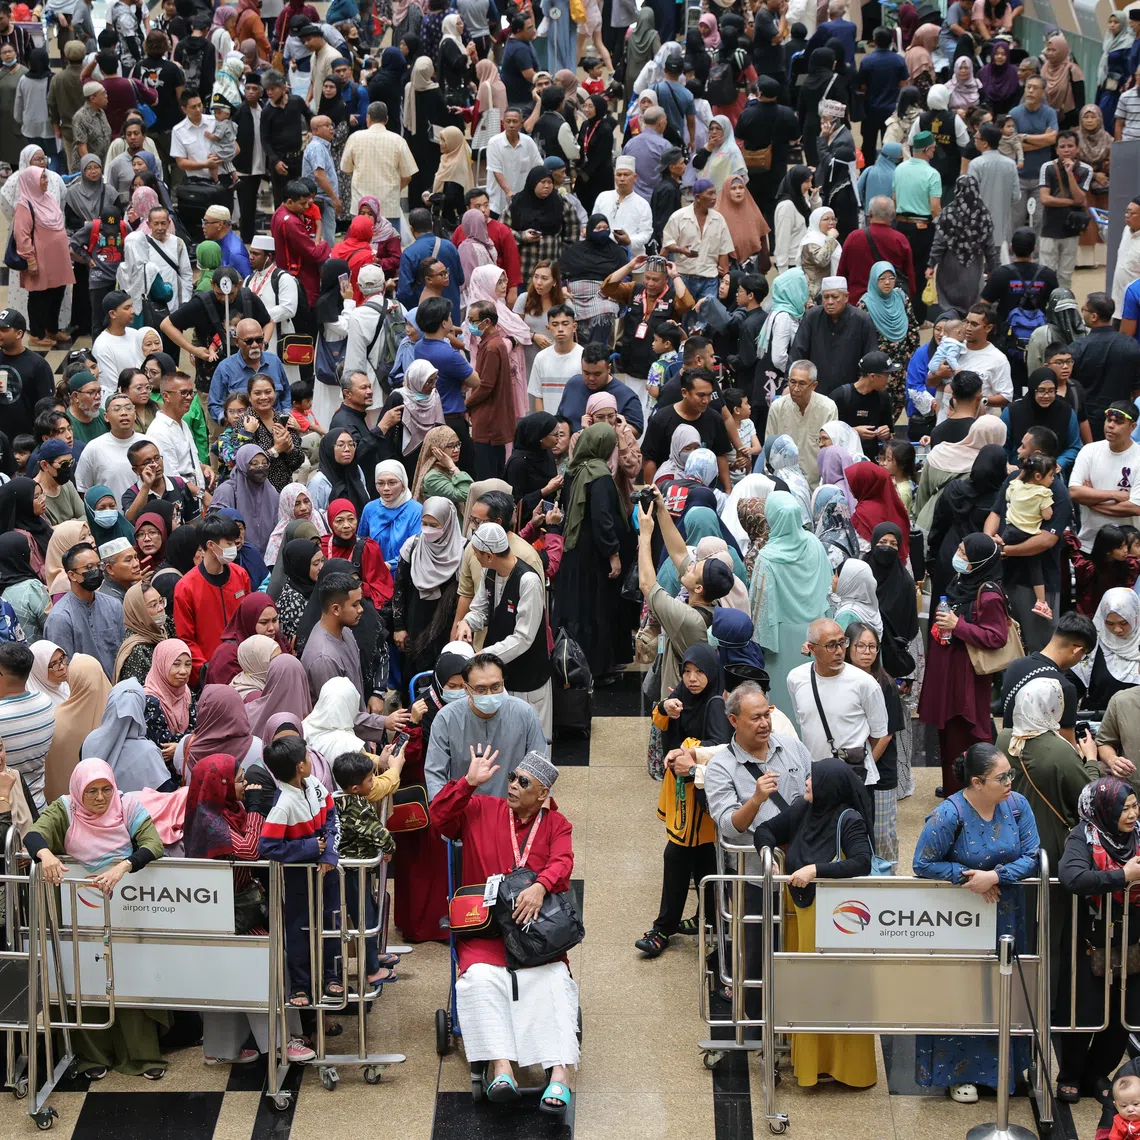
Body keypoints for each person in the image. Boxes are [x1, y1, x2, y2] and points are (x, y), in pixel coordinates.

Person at [429, 746, 576, 1112]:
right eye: (511, 777)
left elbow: (563, 860)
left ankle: (561, 1073)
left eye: (522, 781)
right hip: (486, 932)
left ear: (543, 794)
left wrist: (541, 885)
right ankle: (501, 1066)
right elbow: (439, 819)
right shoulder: (481, 808)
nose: (511, 785)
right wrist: (467, 783)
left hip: (534, 935)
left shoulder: (557, 825)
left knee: (554, 980)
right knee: (479, 978)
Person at [25, 758, 168, 1078]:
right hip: (80, 913)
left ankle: (143, 1056)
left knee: (130, 980)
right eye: (92, 791)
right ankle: (92, 1057)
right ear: (79, 791)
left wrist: (123, 866)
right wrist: (45, 854)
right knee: (85, 981)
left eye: (106, 789)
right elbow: (35, 835)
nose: (101, 797)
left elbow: (153, 844)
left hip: (126, 911)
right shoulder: (65, 809)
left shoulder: (127, 806)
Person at [913, 743, 1040, 1102]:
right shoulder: (948, 814)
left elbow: (1032, 856)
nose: (1009, 782)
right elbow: (923, 864)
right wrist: (968, 877)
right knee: (963, 988)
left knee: (1005, 989)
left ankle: (1008, 1068)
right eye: (1001, 777)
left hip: (1008, 915)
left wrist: (995, 877)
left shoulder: (1017, 806)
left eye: (1009, 774)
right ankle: (958, 1073)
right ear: (977, 782)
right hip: (962, 919)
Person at [752, 756, 876, 1085]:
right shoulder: (806, 810)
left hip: (837, 923)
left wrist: (815, 871)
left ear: (828, 788)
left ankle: (846, 1067)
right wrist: (769, 857)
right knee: (807, 988)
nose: (806, 783)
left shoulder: (848, 820)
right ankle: (811, 1061)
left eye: (812, 779)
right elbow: (765, 830)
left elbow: (862, 862)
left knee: (835, 990)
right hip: (803, 918)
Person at [919, 534, 1010, 796]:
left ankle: (974, 791)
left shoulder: (990, 595)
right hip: (949, 671)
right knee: (947, 733)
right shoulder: (962, 580)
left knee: (966, 732)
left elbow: (996, 637)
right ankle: (954, 787)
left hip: (968, 676)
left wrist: (958, 626)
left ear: (979, 560)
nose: (957, 555)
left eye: (963, 552)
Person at [259, 732, 342, 1007]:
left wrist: (328, 852)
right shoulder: (282, 805)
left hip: (326, 874)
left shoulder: (315, 785)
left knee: (332, 924)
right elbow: (268, 847)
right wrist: (309, 849)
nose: (310, 759)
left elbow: (331, 817)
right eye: (307, 756)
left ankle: (333, 976)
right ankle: (300, 986)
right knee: (299, 931)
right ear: (300, 766)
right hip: (297, 879)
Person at [423, 651, 547, 801]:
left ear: (503, 683)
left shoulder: (524, 713)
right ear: (466, 689)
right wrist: (443, 811)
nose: (490, 694)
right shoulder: (446, 719)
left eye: (496, 687)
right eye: (481, 689)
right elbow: (435, 775)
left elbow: (540, 769)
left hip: (514, 810)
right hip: (465, 810)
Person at [391, 496, 463, 677]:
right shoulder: (413, 546)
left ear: (448, 524)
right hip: (415, 622)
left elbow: (466, 593)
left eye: (435, 525)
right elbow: (399, 587)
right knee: (414, 674)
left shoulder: (462, 550)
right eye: (425, 523)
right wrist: (399, 627)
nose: (428, 530)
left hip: (447, 624)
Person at [788, 277, 879, 397]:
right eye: (826, 297)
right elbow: (798, 353)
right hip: (815, 393)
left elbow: (870, 359)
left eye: (835, 297)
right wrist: (791, 383)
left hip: (850, 396)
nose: (830, 302)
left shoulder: (862, 320)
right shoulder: (812, 317)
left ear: (846, 297)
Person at [1071, 295, 1140, 440]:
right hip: (1121, 420)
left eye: (1084, 309)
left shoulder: (1078, 348)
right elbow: (1137, 390)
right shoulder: (1131, 345)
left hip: (1088, 423)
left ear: (1094, 316)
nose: (1082, 312)